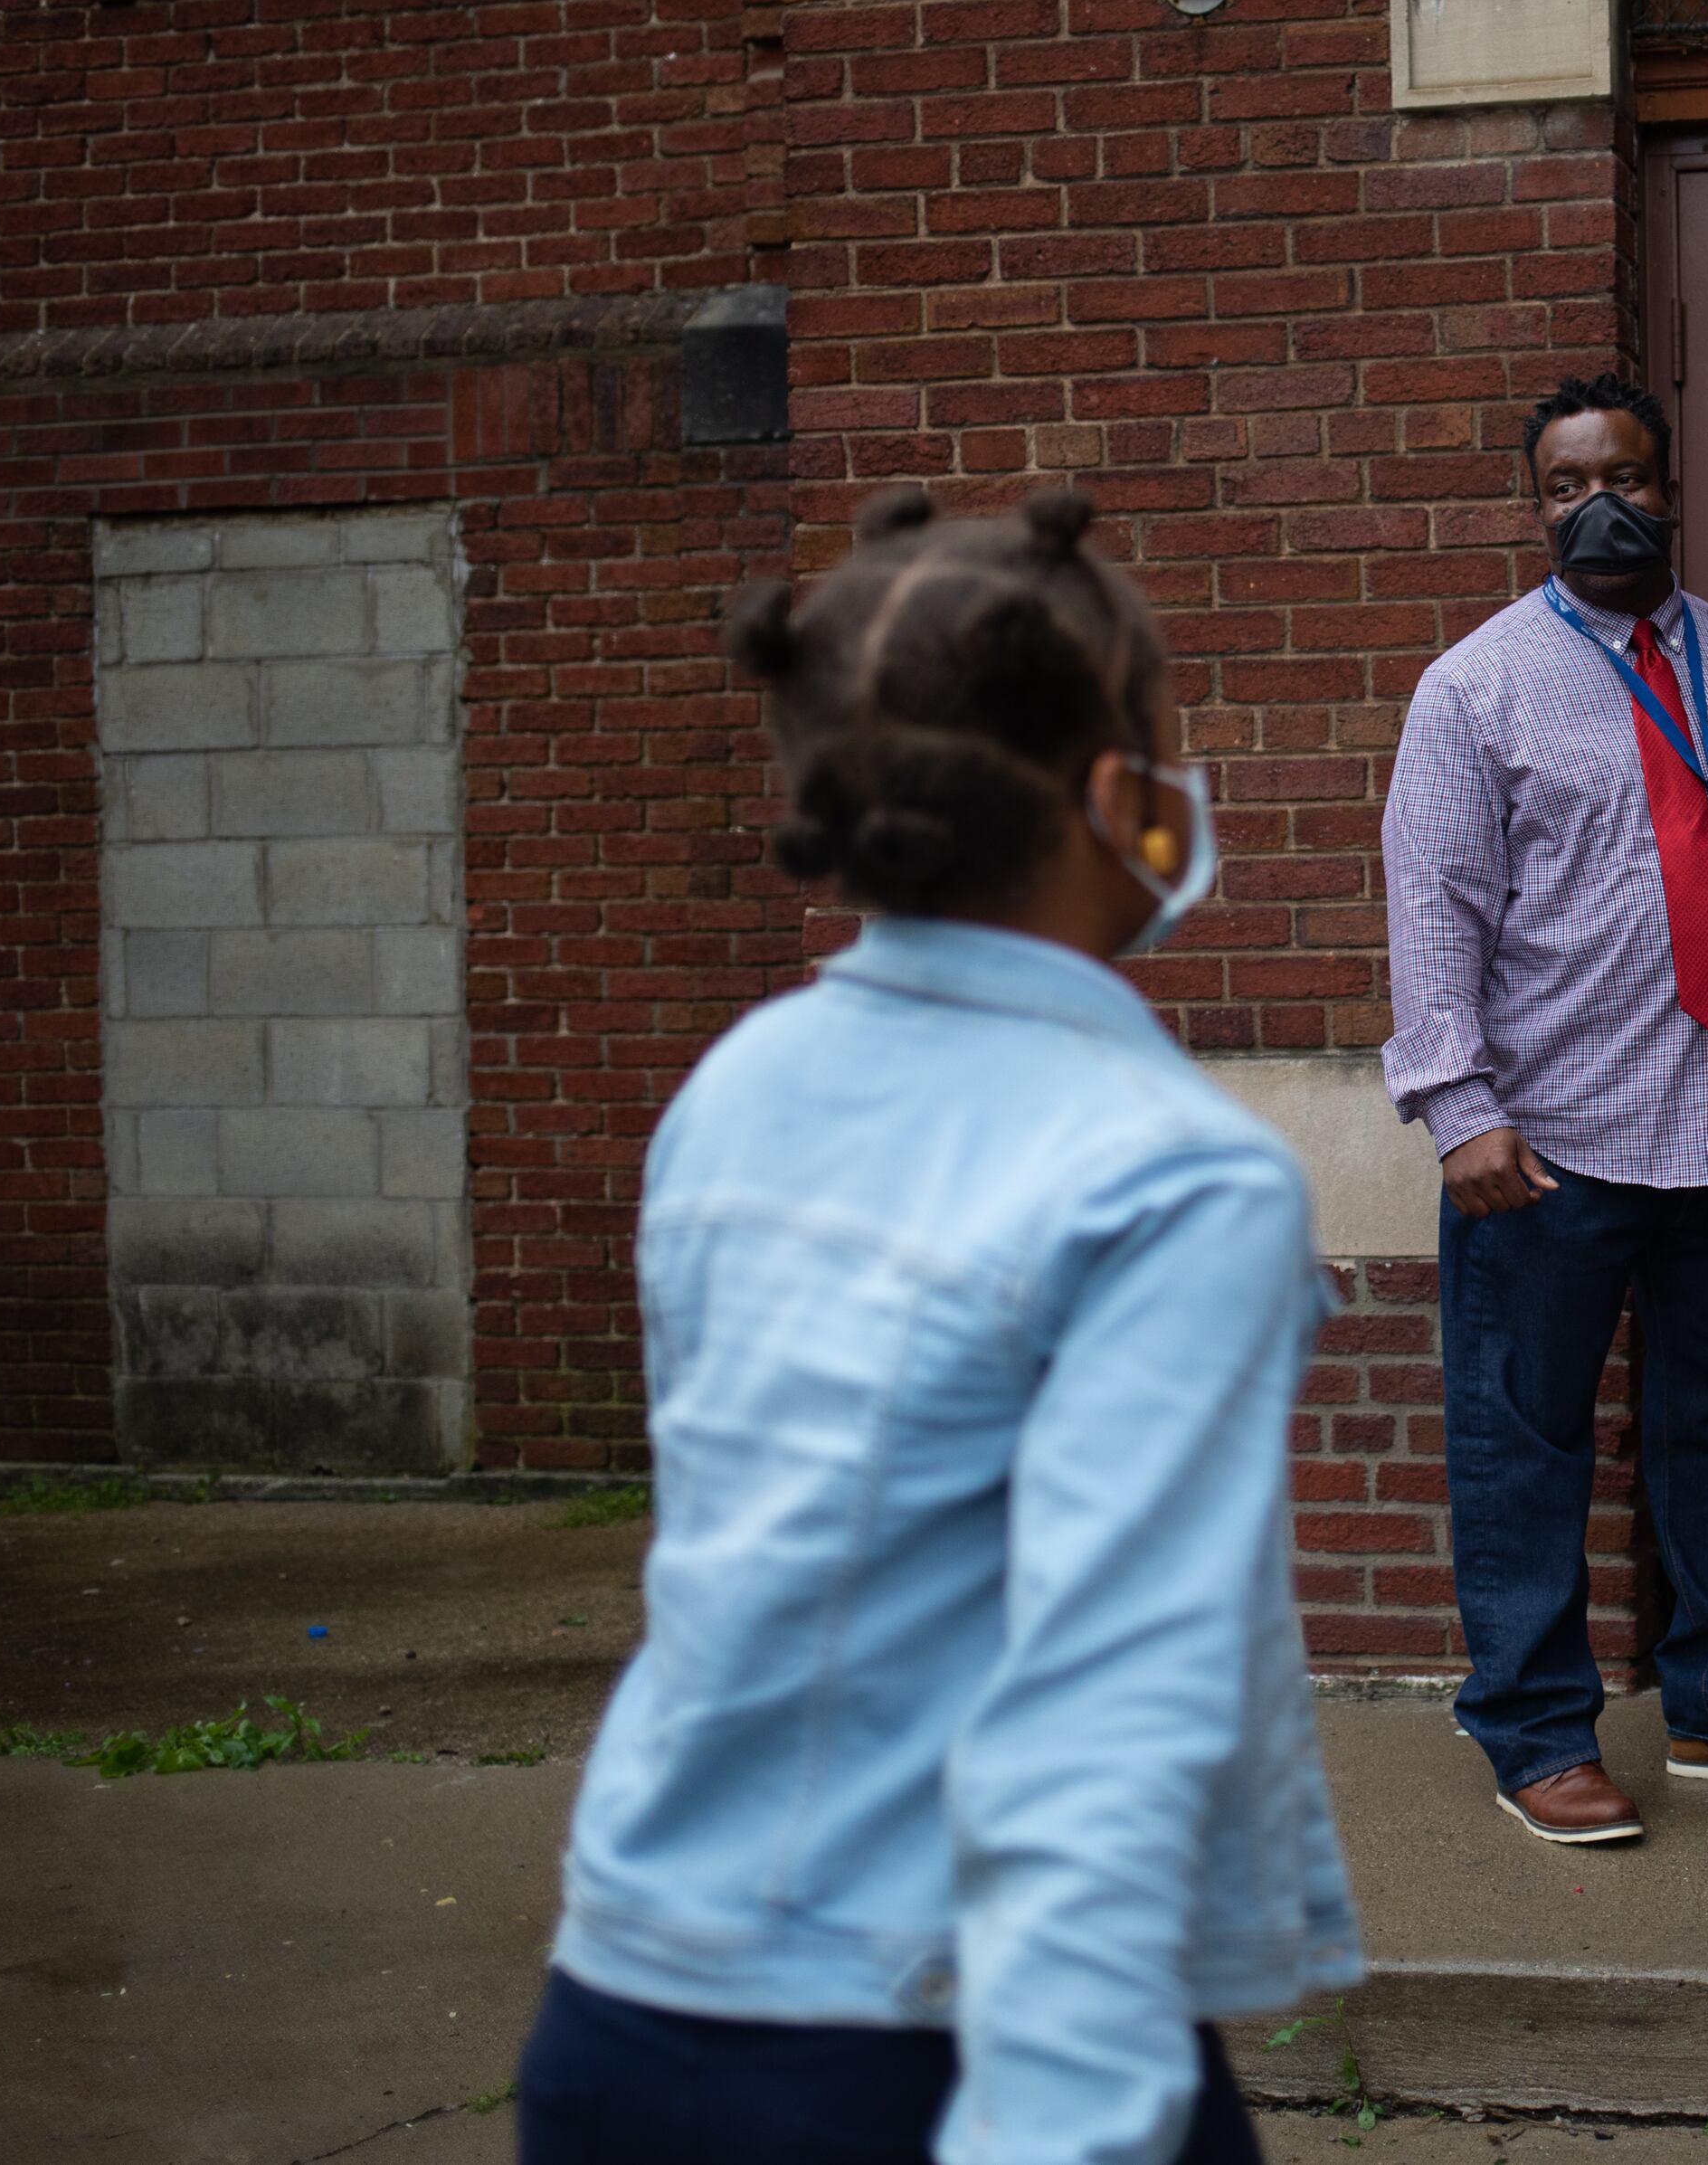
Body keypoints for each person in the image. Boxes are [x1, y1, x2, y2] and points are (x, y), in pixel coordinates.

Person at [520, 488, 1354, 2165]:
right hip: (953, 2055)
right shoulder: (1176, 1178)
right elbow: (1107, 1724)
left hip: (623, 2018)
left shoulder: (735, 1088)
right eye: (1169, 739)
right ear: (1119, 793)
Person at [1381, 375, 1708, 1847]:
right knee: (1524, 1442)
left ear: (1673, 488)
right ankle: (1536, 1732)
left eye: (1623, 475)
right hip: (1546, 1151)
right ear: (1533, 507)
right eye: (1563, 485)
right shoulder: (1474, 690)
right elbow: (1432, 914)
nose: (1595, 502)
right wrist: (1459, 1108)